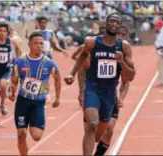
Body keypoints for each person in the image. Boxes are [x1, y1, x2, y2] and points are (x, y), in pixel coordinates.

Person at [64, 13, 135, 155]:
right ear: (106, 24)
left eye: (117, 22)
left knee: (98, 135)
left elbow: (131, 76)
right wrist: (72, 73)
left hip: (109, 92)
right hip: (92, 87)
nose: (114, 24)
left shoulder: (124, 47)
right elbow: (82, 57)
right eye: (111, 21)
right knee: (92, 124)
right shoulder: (92, 42)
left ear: (119, 26)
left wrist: (121, 62)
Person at [9, 31, 61, 155]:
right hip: (23, 101)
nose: (39, 46)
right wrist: (12, 91)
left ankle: (35, 120)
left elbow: (58, 79)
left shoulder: (49, 63)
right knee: (21, 134)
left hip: (38, 102)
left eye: (41, 44)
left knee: (36, 136)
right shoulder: (20, 62)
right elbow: (14, 80)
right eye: (36, 43)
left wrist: (57, 98)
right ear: (29, 45)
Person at [94, 25, 133, 156]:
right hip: (95, 94)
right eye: (119, 34)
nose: (120, 37)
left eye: (123, 35)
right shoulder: (100, 49)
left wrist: (121, 97)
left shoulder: (124, 53)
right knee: (96, 131)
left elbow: (126, 81)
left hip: (111, 97)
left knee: (109, 129)